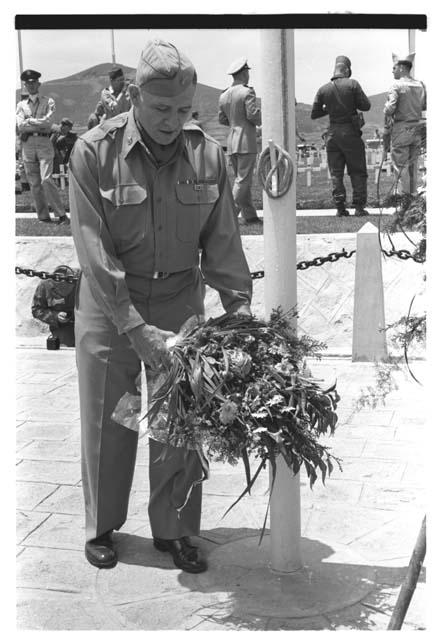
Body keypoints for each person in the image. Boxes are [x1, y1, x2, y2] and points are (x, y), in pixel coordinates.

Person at [68, 38, 252, 574]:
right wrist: (132, 325)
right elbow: (93, 249)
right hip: (109, 307)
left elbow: (222, 241)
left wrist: (237, 310)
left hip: (178, 302)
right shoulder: (93, 153)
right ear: (135, 99)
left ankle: (174, 529)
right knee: (110, 417)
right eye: (160, 109)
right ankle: (101, 525)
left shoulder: (208, 154)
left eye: (182, 109)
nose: (172, 121)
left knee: (180, 422)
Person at [311, 55, 371, 216]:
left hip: (332, 135)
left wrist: (329, 108)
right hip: (351, 133)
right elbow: (366, 105)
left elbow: (314, 113)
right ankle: (359, 207)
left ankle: (340, 207)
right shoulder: (353, 84)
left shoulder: (323, 89)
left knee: (336, 173)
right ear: (346, 70)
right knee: (358, 171)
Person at [15, 69, 69, 224]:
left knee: (46, 179)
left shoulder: (48, 101)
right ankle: (43, 216)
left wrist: (30, 121)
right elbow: (20, 126)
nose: (31, 86)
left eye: (34, 83)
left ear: (39, 83)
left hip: (45, 143)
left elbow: (48, 122)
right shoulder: (20, 105)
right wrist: (38, 123)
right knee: (34, 183)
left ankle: (61, 214)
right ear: (25, 85)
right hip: (28, 145)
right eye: (28, 83)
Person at [218, 57, 262, 225]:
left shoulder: (223, 95)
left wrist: (236, 121)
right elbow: (253, 115)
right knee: (243, 181)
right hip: (246, 141)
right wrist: (265, 116)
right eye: (248, 72)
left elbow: (222, 119)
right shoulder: (247, 92)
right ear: (244, 74)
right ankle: (227, 217)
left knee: (241, 180)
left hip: (232, 141)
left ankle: (250, 216)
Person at [382, 53, 426, 200]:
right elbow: (424, 105)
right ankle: (413, 196)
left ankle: (404, 198)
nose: (392, 71)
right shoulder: (420, 85)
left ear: (401, 67)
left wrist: (386, 106)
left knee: (400, 166)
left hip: (402, 128)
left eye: (394, 68)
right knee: (413, 164)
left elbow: (390, 109)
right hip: (417, 127)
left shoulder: (396, 85)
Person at [31, 265, 78, 347]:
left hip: (84, 324)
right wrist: (55, 316)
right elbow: (36, 310)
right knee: (64, 348)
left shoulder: (82, 280)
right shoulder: (44, 285)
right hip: (63, 327)